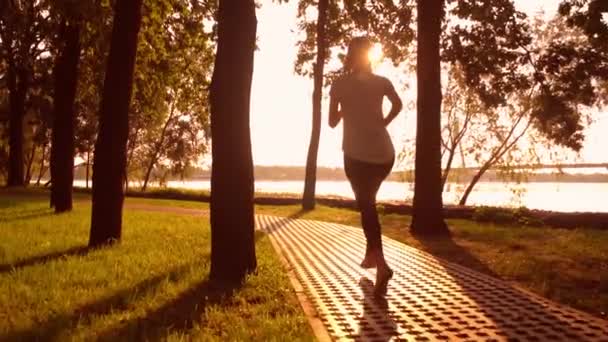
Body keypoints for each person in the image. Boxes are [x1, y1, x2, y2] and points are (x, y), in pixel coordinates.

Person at [328, 37, 403, 297]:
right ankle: (371, 256)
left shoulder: (339, 84)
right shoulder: (382, 82)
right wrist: (383, 122)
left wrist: (344, 108)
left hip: (357, 155)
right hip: (384, 153)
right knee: (367, 203)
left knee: (367, 205)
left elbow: (331, 122)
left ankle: (381, 265)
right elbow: (399, 105)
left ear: (350, 56)